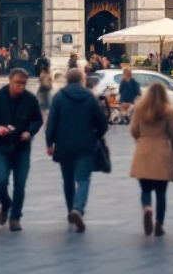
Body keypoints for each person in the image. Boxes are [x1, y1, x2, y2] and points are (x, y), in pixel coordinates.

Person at [45, 68, 108, 233]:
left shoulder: (59, 97)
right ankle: (78, 208)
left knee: (68, 181)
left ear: (67, 80)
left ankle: (70, 211)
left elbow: (51, 121)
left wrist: (49, 142)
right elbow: (102, 123)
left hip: (64, 145)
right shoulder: (90, 97)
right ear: (82, 80)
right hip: (86, 145)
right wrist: (96, 136)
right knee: (83, 179)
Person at [0, 67, 43, 231]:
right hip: (1, 147)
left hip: (22, 148)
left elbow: (38, 120)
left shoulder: (30, 99)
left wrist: (30, 132)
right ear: (10, 81)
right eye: (18, 83)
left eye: (24, 84)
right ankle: (5, 204)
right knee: (1, 180)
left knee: (20, 184)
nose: (21, 87)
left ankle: (15, 217)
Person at [130, 81, 173, 237]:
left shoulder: (140, 109)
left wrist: (140, 138)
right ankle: (159, 223)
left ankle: (147, 208)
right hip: (162, 152)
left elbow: (134, 130)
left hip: (143, 151)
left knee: (145, 189)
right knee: (161, 192)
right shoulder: (169, 111)